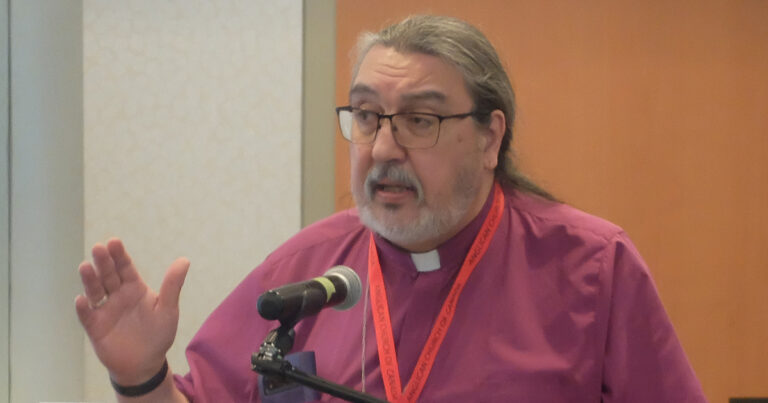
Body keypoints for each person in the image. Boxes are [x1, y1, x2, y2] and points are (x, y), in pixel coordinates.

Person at [76, 15, 707, 402]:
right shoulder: (305, 269)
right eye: (369, 115)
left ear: (490, 137)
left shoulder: (594, 267)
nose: (382, 148)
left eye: (420, 120)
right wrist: (141, 377)